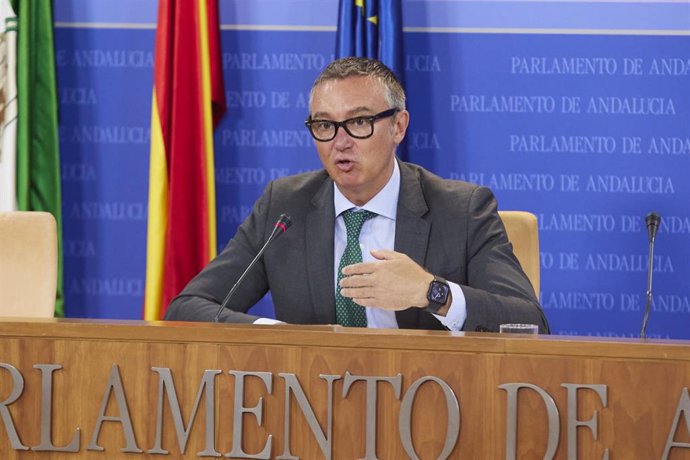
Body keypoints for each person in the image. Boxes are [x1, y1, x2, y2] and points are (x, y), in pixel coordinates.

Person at [164, 57, 549, 333]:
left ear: (398, 126)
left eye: (359, 122)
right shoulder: (284, 206)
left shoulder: (462, 210)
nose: (340, 142)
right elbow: (188, 307)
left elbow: (529, 323)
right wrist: (282, 336)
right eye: (324, 125)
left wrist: (429, 292)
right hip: (312, 408)